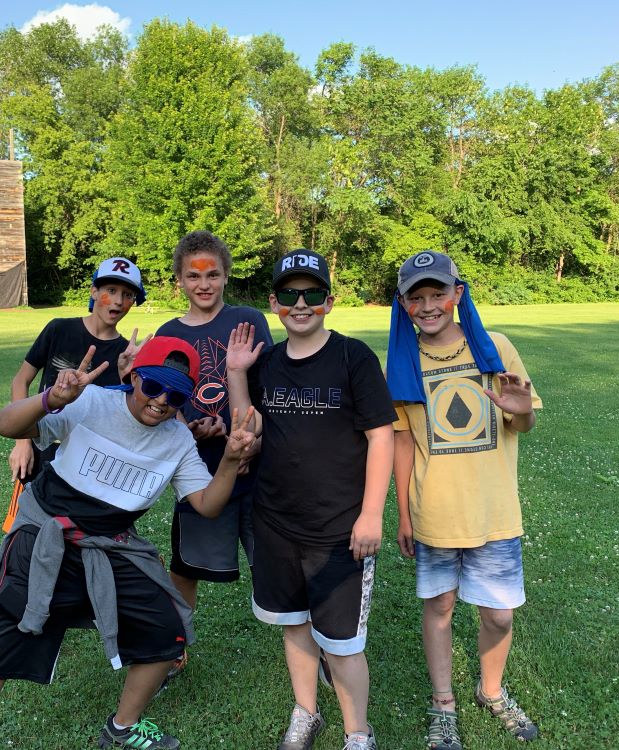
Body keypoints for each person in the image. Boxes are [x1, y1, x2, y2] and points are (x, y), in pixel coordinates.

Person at [0, 337, 257, 750]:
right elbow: (4, 425)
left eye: (176, 395)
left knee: (167, 629)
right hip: (44, 537)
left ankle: (123, 727)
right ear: (135, 376)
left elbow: (207, 504)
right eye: (154, 386)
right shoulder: (92, 403)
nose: (161, 401)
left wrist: (230, 461)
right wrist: (51, 398)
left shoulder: (177, 439)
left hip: (111, 546)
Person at [226, 249, 395, 750]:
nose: (301, 304)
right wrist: (237, 374)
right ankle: (306, 712)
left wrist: (370, 515)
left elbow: (381, 437)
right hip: (276, 522)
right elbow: (246, 430)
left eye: (313, 294)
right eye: (289, 295)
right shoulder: (268, 363)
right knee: (294, 627)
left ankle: (357, 733)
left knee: (342, 646)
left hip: (339, 528)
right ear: (274, 302)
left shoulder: (353, 357)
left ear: (329, 300)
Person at [386, 250, 542, 750]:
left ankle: (490, 689)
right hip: (435, 511)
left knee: (498, 614)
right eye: (417, 297)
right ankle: (443, 705)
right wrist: (404, 515)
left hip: (493, 510)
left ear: (457, 294)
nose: (429, 305)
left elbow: (522, 419)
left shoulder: (494, 347)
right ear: (404, 303)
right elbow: (404, 441)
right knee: (440, 609)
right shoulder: (403, 359)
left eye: (438, 293)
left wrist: (523, 412)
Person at [155, 230, 273, 626]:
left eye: (212, 275)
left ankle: (314, 646)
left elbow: (270, 391)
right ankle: (174, 643)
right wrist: (189, 427)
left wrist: (255, 440)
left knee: (275, 560)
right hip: (200, 472)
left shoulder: (248, 320)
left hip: (258, 471)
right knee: (187, 566)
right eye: (193, 276)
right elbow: (162, 404)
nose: (203, 284)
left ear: (226, 276)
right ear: (180, 280)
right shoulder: (169, 333)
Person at [7, 257, 149, 486]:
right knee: (30, 518)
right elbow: (21, 381)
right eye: (110, 290)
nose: (118, 301)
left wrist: (128, 377)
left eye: (128, 295)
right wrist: (22, 442)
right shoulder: (59, 329)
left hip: (89, 459)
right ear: (94, 292)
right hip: (42, 445)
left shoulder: (126, 355)